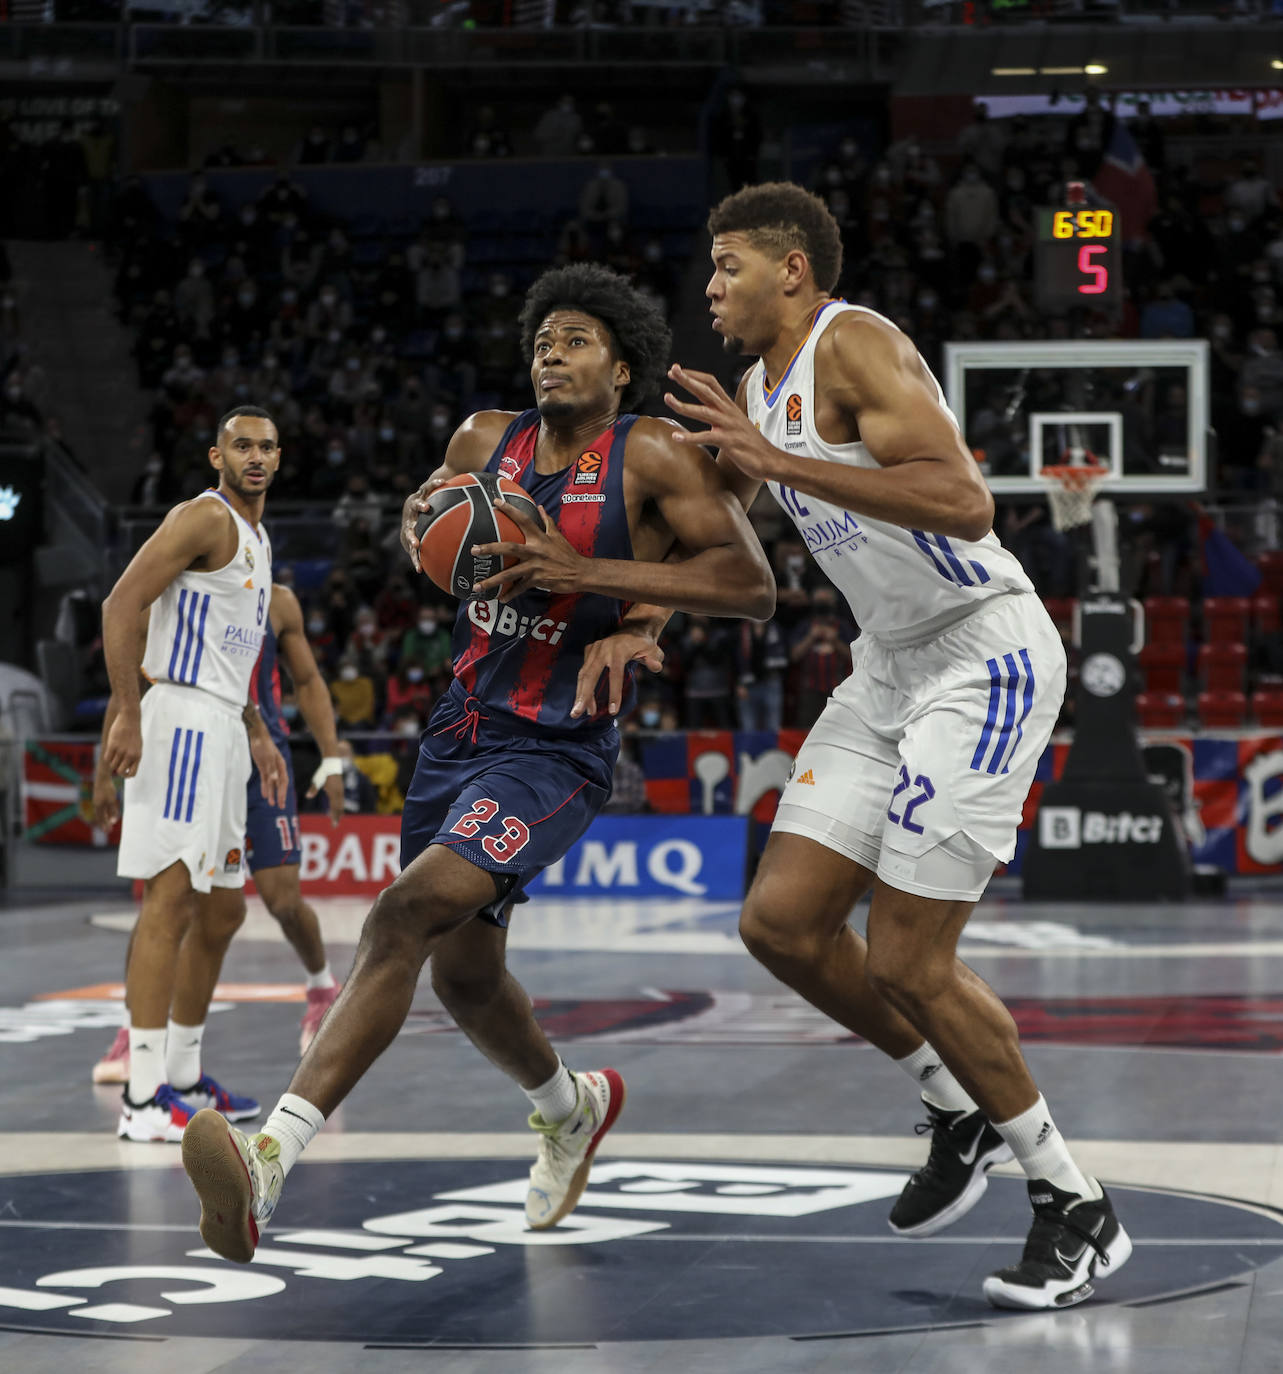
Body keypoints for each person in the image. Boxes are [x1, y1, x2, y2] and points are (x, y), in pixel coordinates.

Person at [180, 262, 775, 1263]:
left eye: (578, 337)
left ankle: (271, 1158)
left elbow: (747, 583)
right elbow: (428, 524)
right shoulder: (477, 439)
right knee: (463, 975)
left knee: (403, 910)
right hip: (457, 732)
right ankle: (569, 1105)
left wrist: (605, 594)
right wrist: (430, 527)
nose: (552, 348)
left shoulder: (654, 454)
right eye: (543, 335)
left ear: (621, 367)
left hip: (554, 746)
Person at [662, 182, 1131, 1311]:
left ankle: (1076, 1209)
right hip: (889, 664)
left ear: (791, 270)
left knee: (907, 959)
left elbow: (963, 502)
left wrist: (776, 467)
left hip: (984, 650)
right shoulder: (753, 387)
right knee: (778, 924)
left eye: (728, 265)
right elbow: (732, 532)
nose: (710, 285)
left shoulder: (854, 341)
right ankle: (953, 1103)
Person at [99, 405, 289, 1143]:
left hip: (223, 728)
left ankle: (181, 1076)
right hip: (178, 723)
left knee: (223, 911)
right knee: (171, 901)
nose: (255, 457)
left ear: (280, 458)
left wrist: (257, 730)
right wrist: (124, 710)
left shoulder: (258, 537)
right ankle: (143, 1100)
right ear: (216, 455)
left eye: (267, 447)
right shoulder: (203, 518)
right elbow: (123, 602)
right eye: (241, 445)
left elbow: (230, 655)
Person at [91, 579, 349, 1080]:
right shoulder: (174, 599)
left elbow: (310, 682)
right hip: (201, 754)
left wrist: (332, 760)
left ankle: (321, 990)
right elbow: (134, 684)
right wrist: (103, 773)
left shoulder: (278, 601)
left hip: (264, 763)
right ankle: (134, 1031)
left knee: (282, 901)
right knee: (165, 899)